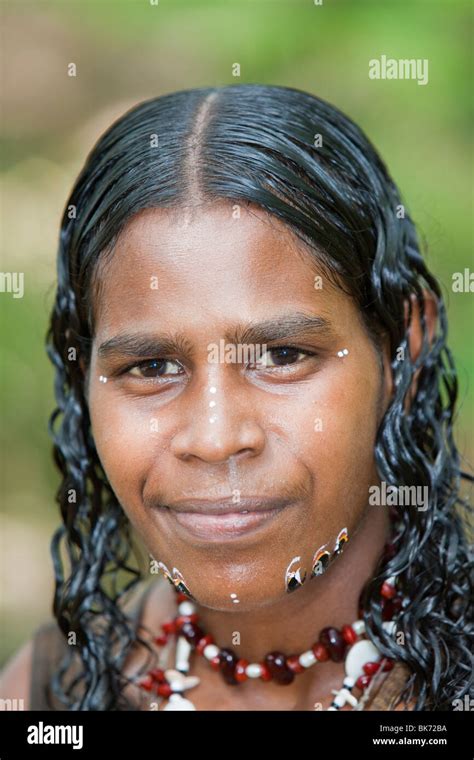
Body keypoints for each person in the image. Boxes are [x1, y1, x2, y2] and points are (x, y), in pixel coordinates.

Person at [1, 84, 472, 711]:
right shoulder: (48, 695)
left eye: (283, 356)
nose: (216, 437)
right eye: (152, 366)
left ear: (402, 349)